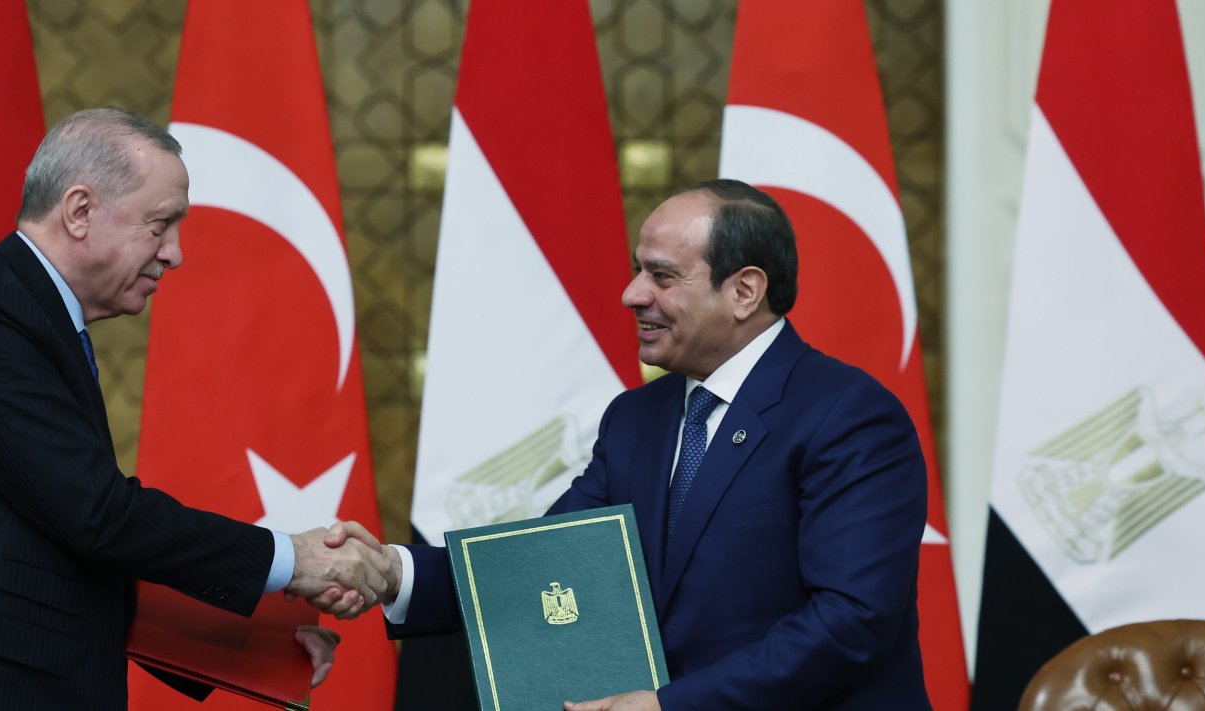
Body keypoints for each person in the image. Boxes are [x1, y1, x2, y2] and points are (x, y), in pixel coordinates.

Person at [0, 107, 391, 710]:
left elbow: (67, 554)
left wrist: (255, 642)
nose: (175, 254)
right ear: (80, 211)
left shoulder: (32, 318)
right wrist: (292, 560)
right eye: (160, 224)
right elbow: (95, 515)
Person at [339, 179, 930, 709]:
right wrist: (393, 572)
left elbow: (851, 623)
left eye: (662, 276)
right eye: (638, 270)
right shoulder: (636, 418)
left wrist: (668, 707)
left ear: (745, 291)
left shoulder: (848, 415)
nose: (631, 294)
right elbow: (548, 564)